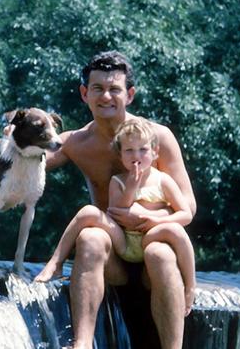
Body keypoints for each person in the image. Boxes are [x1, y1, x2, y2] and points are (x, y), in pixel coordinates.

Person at [33, 51, 196, 349]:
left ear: (130, 94)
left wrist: (152, 218)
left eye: (115, 89)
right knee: (91, 236)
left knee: (161, 252)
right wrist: (12, 138)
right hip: (114, 252)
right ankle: (81, 343)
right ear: (84, 93)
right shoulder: (74, 142)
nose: (106, 96)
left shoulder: (157, 138)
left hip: (153, 247)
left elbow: (189, 205)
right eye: (97, 89)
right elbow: (24, 159)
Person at [36, 117, 196, 314]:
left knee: (175, 230)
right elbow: (117, 213)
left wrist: (156, 220)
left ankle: (189, 286)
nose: (136, 156)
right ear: (121, 156)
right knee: (88, 212)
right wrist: (130, 189)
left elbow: (186, 214)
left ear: (155, 153)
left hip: (150, 238)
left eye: (143, 150)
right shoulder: (118, 182)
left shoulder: (164, 181)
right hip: (125, 243)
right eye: (129, 151)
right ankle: (55, 262)